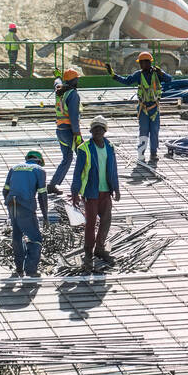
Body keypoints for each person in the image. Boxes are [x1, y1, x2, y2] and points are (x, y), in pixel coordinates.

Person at [70, 116, 120, 272]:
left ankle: (100, 248)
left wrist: (116, 189)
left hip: (106, 192)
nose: (98, 131)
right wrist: (75, 193)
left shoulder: (110, 147)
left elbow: (114, 170)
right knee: (90, 225)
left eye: (101, 129)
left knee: (106, 222)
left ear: (105, 131)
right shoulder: (84, 149)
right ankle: (88, 254)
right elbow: (77, 173)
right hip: (91, 193)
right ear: (91, 131)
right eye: (95, 129)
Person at [113, 51, 173, 162]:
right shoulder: (138, 75)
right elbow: (127, 81)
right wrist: (114, 76)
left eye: (143, 63)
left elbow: (169, 79)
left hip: (154, 108)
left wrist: (162, 73)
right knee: (144, 131)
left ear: (149, 63)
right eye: (140, 63)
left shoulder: (157, 74)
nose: (141, 65)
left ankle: (153, 153)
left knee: (154, 131)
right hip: (143, 108)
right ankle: (141, 153)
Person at [2, 150, 48, 280]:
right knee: (35, 238)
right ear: (39, 161)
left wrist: (10, 207)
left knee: (17, 236)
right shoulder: (39, 170)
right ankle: (31, 270)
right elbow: (42, 195)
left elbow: (5, 190)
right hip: (25, 205)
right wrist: (45, 217)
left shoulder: (14, 168)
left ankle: (19, 268)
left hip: (12, 203)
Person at [49, 68, 82, 195]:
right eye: (77, 79)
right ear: (73, 81)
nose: (78, 81)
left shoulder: (59, 90)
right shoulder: (73, 94)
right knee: (84, 156)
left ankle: (52, 185)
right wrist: (77, 135)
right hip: (69, 132)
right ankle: (79, 188)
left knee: (67, 158)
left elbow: (56, 82)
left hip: (60, 131)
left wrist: (58, 77)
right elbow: (74, 117)